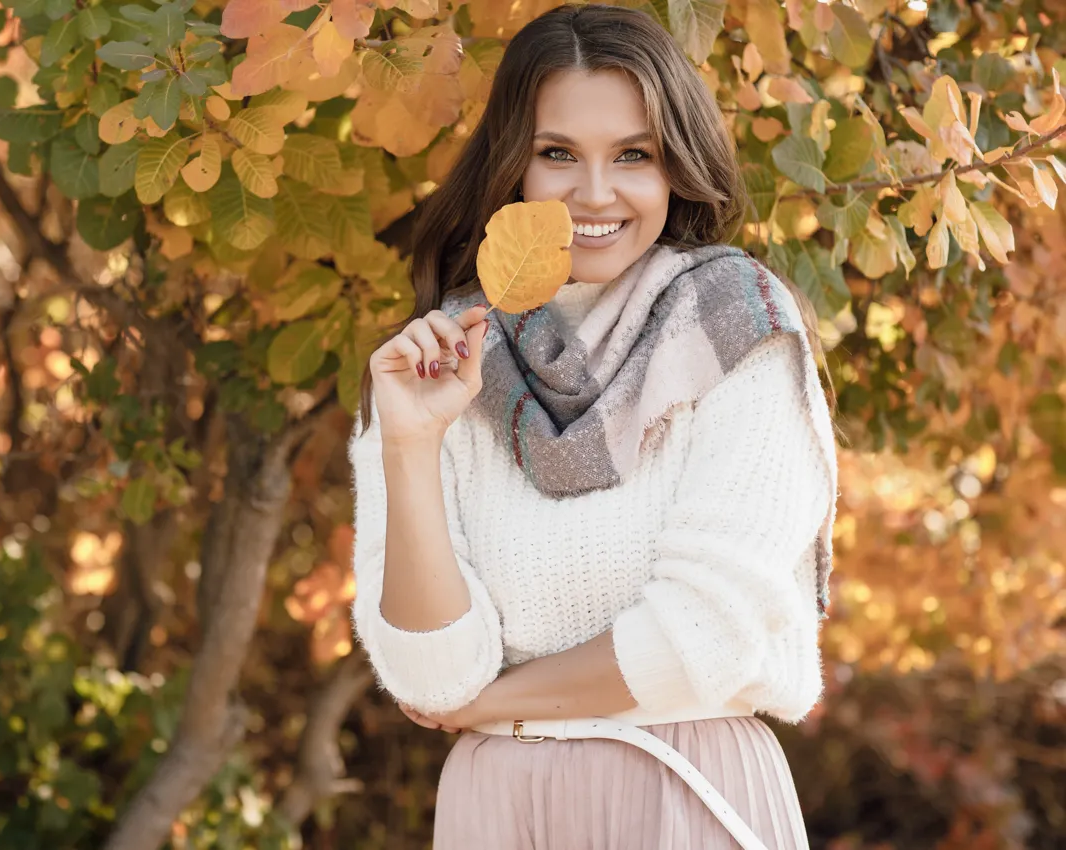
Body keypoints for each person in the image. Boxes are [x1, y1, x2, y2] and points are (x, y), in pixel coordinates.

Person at [347, 4, 839, 848]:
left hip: (682, 787)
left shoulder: (739, 330)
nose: (597, 192)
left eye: (635, 155)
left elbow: (706, 631)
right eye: (558, 154)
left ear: (676, 166)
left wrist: (486, 706)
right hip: (494, 808)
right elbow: (427, 673)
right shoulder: (439, 363)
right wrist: (410, 442)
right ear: (515, 169)